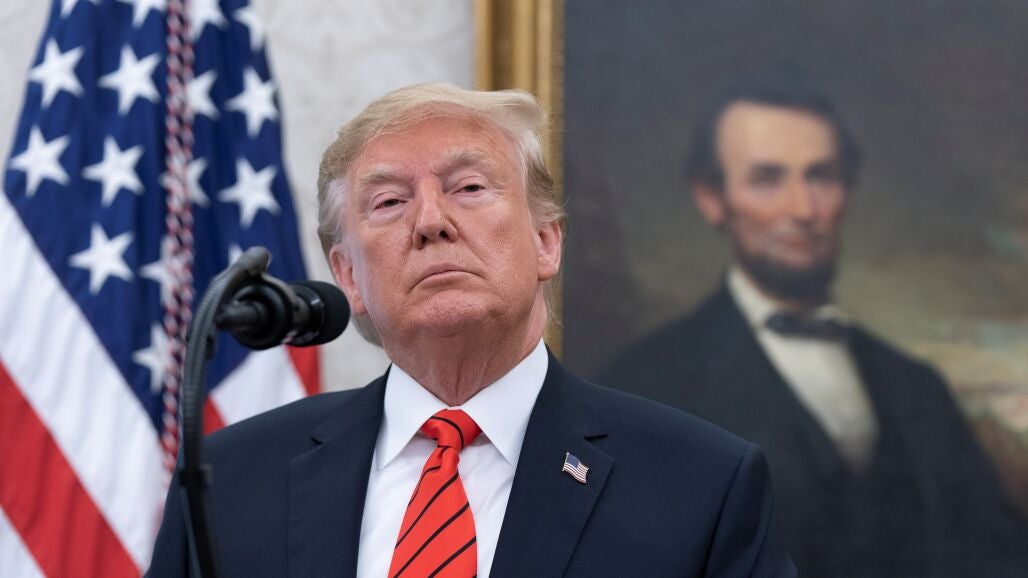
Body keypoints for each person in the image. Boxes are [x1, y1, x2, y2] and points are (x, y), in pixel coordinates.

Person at [147, 83, 796, 577]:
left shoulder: (701, 486)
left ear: (546, 243)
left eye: (469, 188)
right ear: (348, 276)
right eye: (389, 202)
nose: (430, 222)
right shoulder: (231, 480)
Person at [599, 76, 1028, 577]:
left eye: (821, 177)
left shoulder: (917, 388)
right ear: (712, 197)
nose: (803, 210)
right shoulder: (644, 384)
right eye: (767, 179)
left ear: (847, 190)